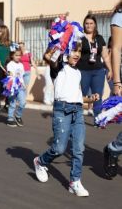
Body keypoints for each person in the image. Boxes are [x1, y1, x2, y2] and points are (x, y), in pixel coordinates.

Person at [33, 45, 100, 197]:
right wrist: (60, 45)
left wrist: (90, 98)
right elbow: (49, 58)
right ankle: (40, 162)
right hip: (62, 111)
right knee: (59, 149)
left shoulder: (78, 73)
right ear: (66, 54)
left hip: (77, 111)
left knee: (78, 149)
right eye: (73, 51)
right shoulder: (59, 68)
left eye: (79, 52)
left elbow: (76, 96)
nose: (77, 54)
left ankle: (74, 182)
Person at [76, 14, 112, 125]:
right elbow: (75, 54)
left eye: (91, 23)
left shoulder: (99, 38)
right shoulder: (80, 38)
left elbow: (105, 56)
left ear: (95, 25)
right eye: (87, 23)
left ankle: (98, 120)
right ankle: (77, 118)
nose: (89, 25)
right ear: (84, 25)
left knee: (97, 96)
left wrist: (110, 69)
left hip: (98, 71)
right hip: (83, 71)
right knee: (81, 95)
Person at [102, 0, 122, 179]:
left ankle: (114, 149)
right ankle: (113, 150)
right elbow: (115, 49)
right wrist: (117, 82)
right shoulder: (119, 16)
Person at [5, 48, 26, 127]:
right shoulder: (10, 64)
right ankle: (10, 118)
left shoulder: (21, 65)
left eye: (19, 55)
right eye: (16, 55)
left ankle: (18, 116)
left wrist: (23, 84)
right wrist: (10, 74)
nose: (18, 57)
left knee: (23, 102)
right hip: (12, 86)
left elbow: (21, 76)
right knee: (12, 103)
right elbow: (10, 73)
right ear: (12, 55)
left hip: (20, 86)